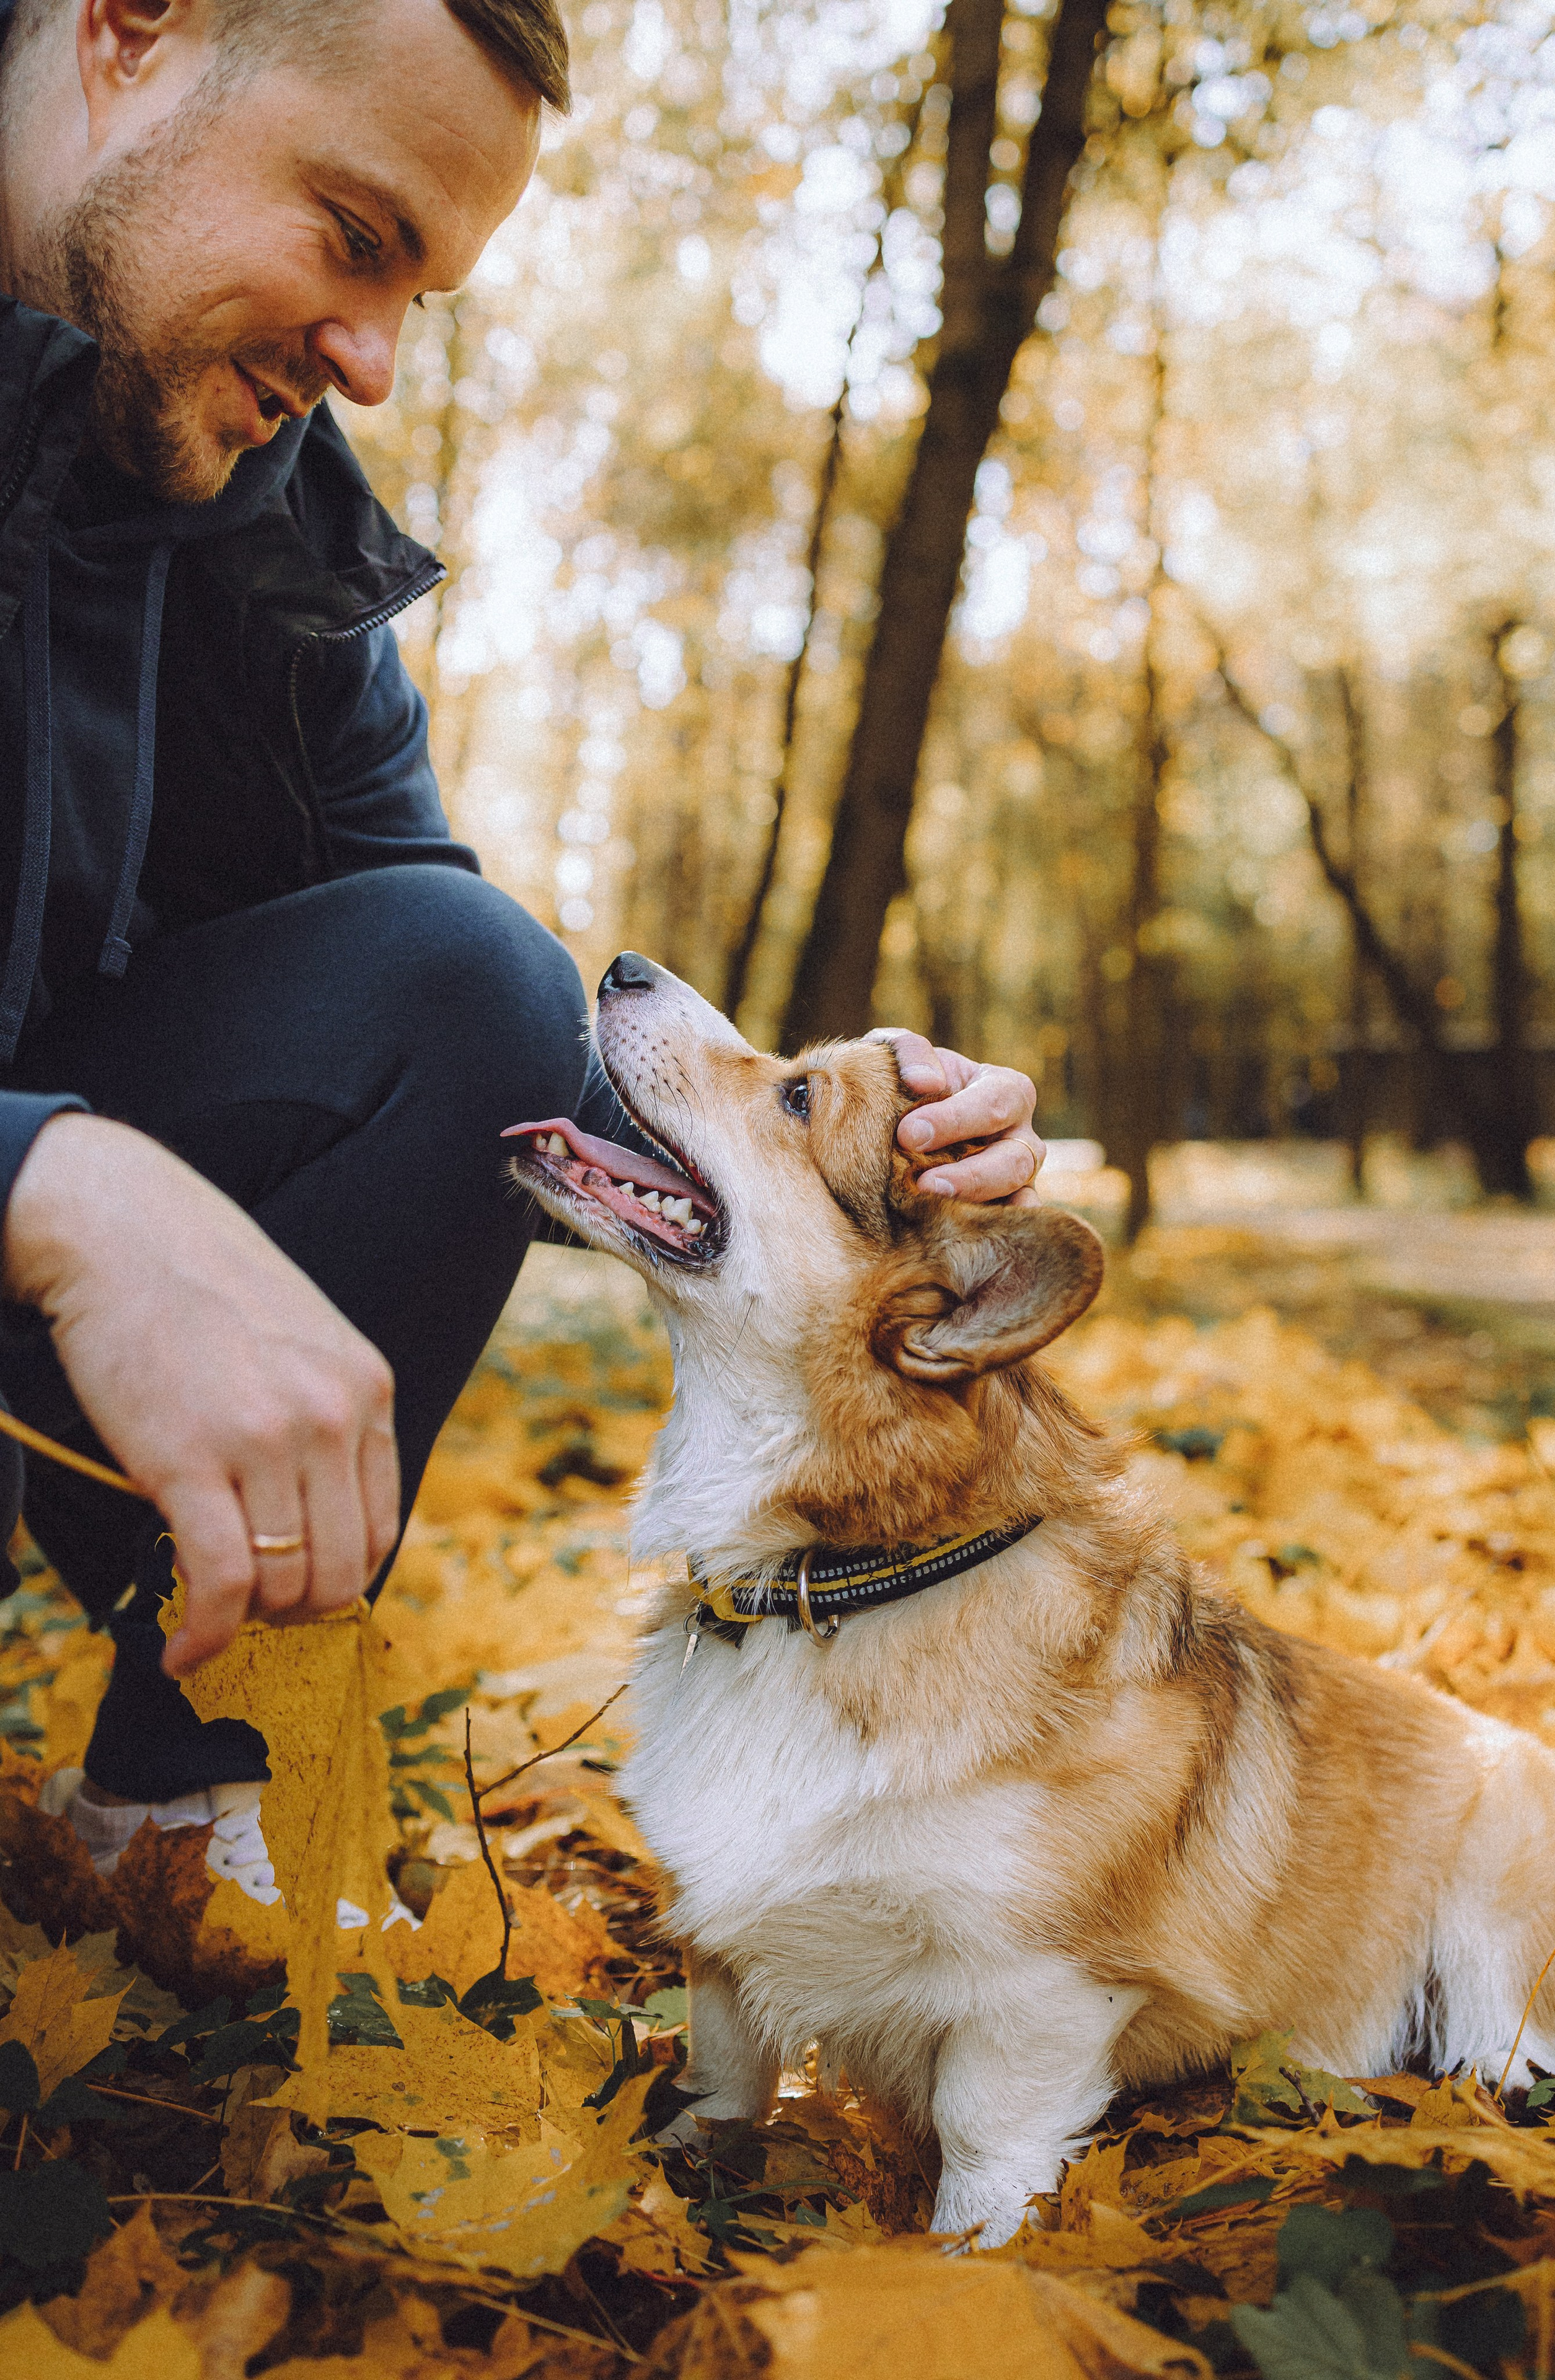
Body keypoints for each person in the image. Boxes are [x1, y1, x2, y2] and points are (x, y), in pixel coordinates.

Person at [0, 0, 1049, 1902]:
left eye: (422, 296)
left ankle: (174, 1799)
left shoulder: (269, 542)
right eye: (355, 235)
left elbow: (471, 1039)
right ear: (130, 33)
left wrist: (829, 1142)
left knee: (474, 967)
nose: (375, 364)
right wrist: (49, 1187)